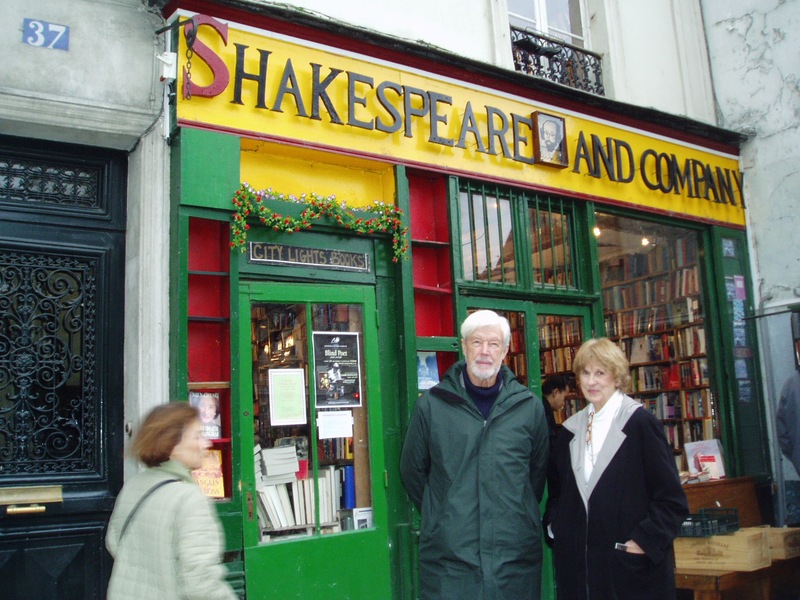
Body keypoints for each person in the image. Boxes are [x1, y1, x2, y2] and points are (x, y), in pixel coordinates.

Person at [400, 310, 549, 600]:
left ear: (505, 351)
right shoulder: (431, 406)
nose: (485, 351)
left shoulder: (529, 407)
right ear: (464, 346)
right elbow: (412, 472)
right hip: (451, 560)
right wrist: (441, 513)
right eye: (477, 342)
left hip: (513, 558)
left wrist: (516, 512)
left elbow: (536, 475)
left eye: (494, 344)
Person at [544, 338, 688, 600]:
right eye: (585, 373)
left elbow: (671, 500)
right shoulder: (570, 430)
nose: (591, 381)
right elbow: (557, 493)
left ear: (617, 377)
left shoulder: (640, 425)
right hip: (579, 574)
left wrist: (643, 542)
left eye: (600, 373)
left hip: (629, 573)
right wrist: (557, 528)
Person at [106, 403, 237, 600]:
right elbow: (201, 583)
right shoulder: (189, 498)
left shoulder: (133, 485)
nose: (207, 443)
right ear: (172, 445)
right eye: (197, 436)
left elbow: (114, 542)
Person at [541, 374, 569, 449]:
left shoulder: (542, 407)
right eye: (564, 397)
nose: (563, 403)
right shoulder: (545, 412)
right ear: (556, 392)